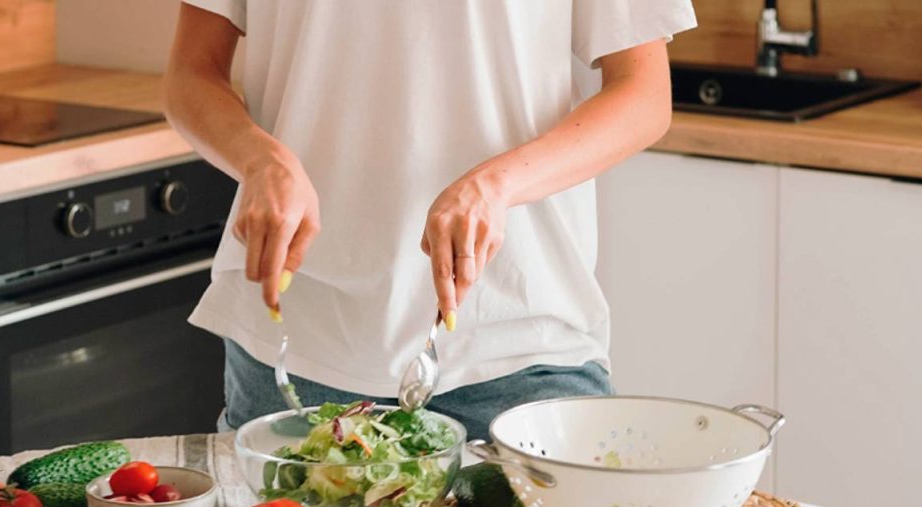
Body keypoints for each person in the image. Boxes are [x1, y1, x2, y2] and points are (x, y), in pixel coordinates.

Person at [165, 1, 697, 438]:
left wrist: (496, 184)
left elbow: (643, 95)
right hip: (297, 345)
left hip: (516, 341)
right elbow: (191, 73)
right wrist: (262, 160)